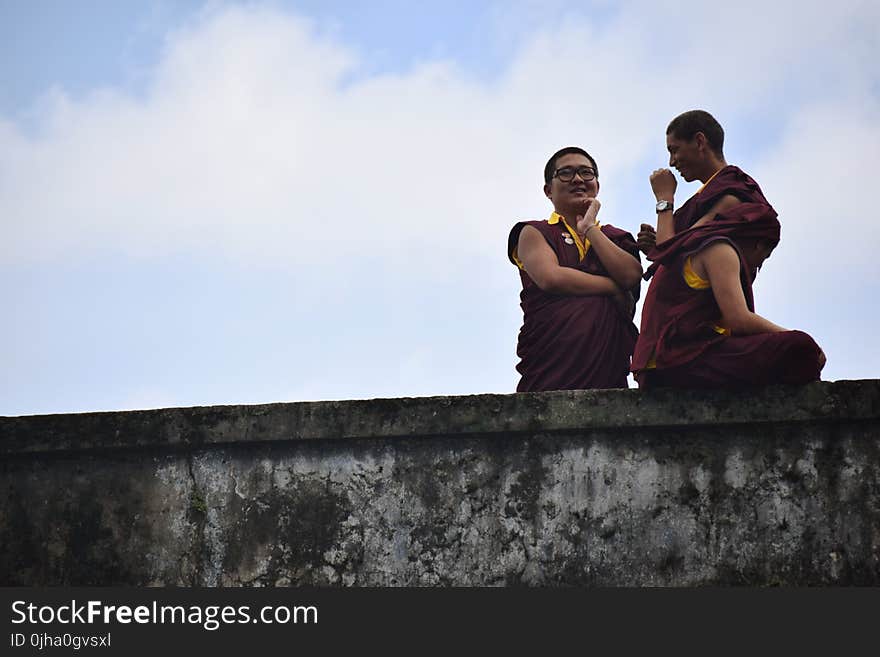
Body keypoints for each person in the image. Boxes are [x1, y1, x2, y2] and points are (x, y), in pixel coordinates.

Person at [631, 210, 825, 389]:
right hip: (677, 360)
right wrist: (805, 342)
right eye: (763, 258)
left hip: (666, 363)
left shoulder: (695, 246)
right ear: (759, 245)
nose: (757, 265)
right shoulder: (720, 249)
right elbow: (738, 319)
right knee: (802, 346)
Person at [508, 146, 643, 391]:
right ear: (549, 190)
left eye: (586, 173)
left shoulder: (615, 237)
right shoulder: (534, 232)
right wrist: (612, 287)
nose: (578, 179)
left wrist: (590, 228)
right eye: (566, 173)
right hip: (550, 365)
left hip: (607, 368)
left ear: (597, 186)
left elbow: (631, 275)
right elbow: (551, 278)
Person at [636, 110, 774, 267]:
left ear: (700, 142)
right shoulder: (708, 194)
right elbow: (676, 249)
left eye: (675, 150)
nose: (671, 162)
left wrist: (664, 199)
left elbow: (671, 254)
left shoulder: (734, 196)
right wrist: (655, 245)